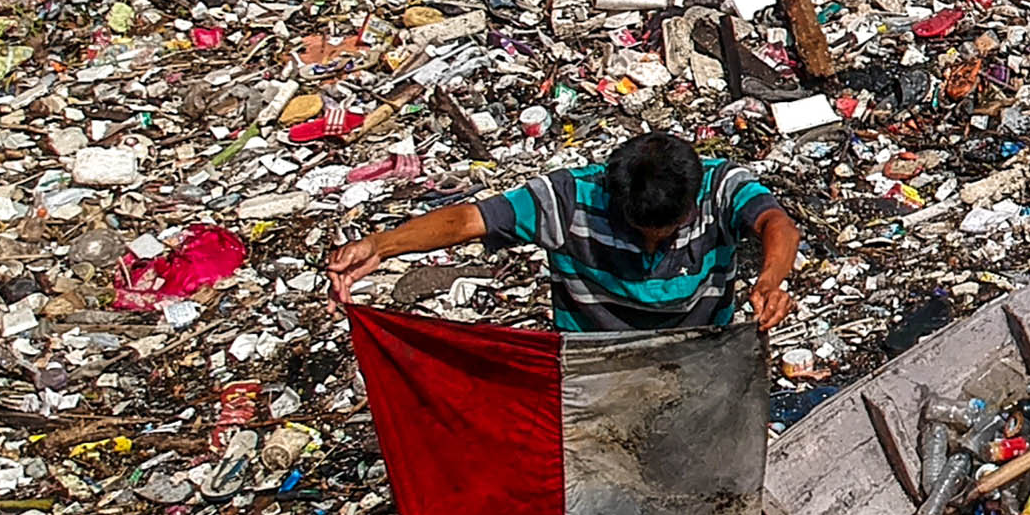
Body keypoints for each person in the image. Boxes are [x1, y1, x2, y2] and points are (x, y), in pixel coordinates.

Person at [329, 130, 797, 332]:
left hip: (700, 354)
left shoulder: (719, 186)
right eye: (641, 230)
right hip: (593, 368)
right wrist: (381, 246)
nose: (652, 244)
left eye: (666, 231)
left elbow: (776, 223)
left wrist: (770, 280)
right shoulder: (569, 198)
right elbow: (471, 219)